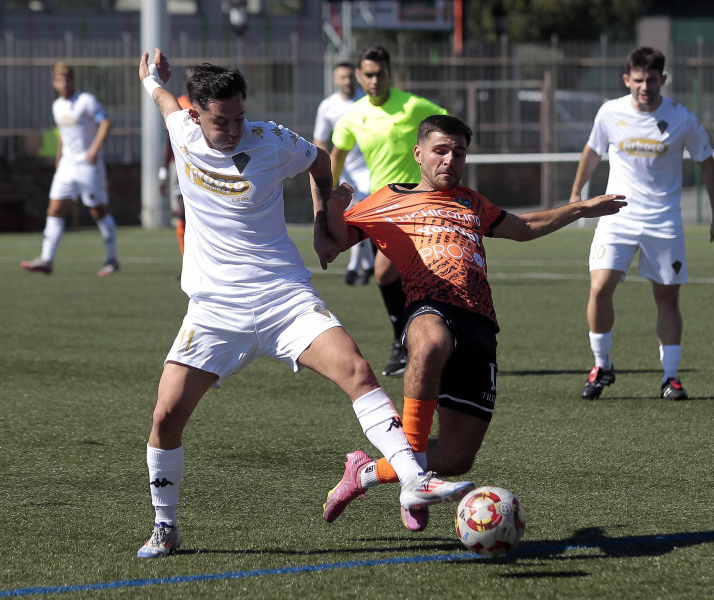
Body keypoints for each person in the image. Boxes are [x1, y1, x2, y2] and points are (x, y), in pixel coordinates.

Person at [135, 50, 473, 559]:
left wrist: (321, 219)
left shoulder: (269, 140)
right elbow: (162, 98)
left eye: (238, 117)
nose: (232, 129)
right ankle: (166, 527)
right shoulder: (181, 130)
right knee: (165, 416)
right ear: (196, 115)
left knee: (358, 370)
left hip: (283, 296)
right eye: (220, 121)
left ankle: (414, 478)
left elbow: (320, 161)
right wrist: (152, 80)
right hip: (213, 309)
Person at [322, 114, 626, 531]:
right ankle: (417, 480)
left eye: (458, 152)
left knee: (457, 457)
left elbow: (523, 228)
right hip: (428, 304)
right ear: (419, 154)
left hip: (480, 325)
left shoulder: (472, 202)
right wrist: (332, 210)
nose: (450, 159)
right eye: (440, 150)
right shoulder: (388, 199)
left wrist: (581, 209)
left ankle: (365, 472)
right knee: (429, 345)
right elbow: (335, 243)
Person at [569, 47, 714, 402]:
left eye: (652, 80)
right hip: (616, 214)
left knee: (667, 297)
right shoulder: (610, 113)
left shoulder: (682, 119)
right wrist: (575, 193)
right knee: (599, 288)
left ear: (663, 80)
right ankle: (602, 365)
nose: (645, 87)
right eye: (638, 80)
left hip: (663, 220)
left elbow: (707, 163)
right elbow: (593, 150)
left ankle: (670, 378)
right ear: (627, 79)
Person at [330, 46, 448, 377]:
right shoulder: (354, 115)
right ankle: (407, 340)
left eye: (380, 73)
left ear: (389, 73)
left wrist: (442, 166)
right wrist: (328, 195)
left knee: (389, 272)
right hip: (383, 205)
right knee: (390, 275)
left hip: (422, 202)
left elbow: (448, 126)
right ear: (358, 76)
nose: (374, 80)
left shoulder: (413, 106)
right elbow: (337, 154)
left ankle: (408, 343)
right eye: (368, 74)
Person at [21, 61, 119, 277]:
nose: (64, 83)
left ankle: (111, 259)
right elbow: (62, 137)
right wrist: (58, 160)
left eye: (68, 79)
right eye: (60, 80)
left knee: (97, 211)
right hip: (66, 166)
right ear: (54, 83)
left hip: (87, 165)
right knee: (54, 210)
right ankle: (46, 260)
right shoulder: (57, 106)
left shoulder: (86, 100)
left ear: (73, 80)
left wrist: (94, 149)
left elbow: (105, 123)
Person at [313, 61, 374, 286]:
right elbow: (320, 139)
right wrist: (326, 167)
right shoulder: (328, 106)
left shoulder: (367, 101)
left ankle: (355, 268)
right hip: (346, 172)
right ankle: (366, 266)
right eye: (342, 77)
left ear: (356, 77)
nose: (347, 81)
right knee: (354, 219)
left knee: (360, 218)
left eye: (350, 77)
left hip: (371, 170)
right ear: (335, 80)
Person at [159, 71, 193, 257]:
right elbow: (168, 140)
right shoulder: (178, 104)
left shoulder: (208, 106)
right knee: (183, 215)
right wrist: (163, 172)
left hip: (204, 168)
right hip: (181, 169)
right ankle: (187, 260)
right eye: (189, 81)